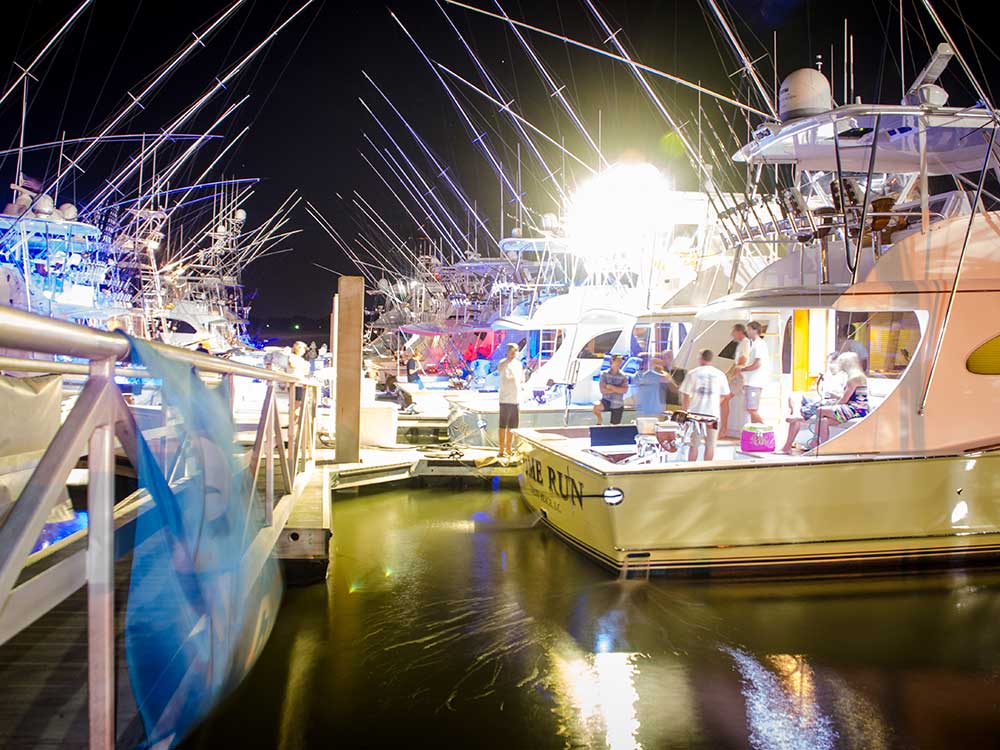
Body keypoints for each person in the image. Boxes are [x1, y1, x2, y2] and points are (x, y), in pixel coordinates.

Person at [779, 353, 846, 453]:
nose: (831, 366)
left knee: (799, 414)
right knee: (795, 396)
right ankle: (796, 413)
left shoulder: (845, 378)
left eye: (833, 363)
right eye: (829, 363)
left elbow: (845, 398)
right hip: (820, 401)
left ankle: (787, 447)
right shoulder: (828, 376)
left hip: (831, 405)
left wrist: (833, 396)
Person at [678, 349, 730, 461]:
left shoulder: (693, 374)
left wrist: (685, 412)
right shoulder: (720, 374)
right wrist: (716, 402)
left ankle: (691, 468)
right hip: (712, 414)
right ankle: (707, 468)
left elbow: (686, 395)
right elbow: (725, 394)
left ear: (700, 358)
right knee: (710, 445)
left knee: (694, 445)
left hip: (696, 414)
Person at [817, 351, 869, 443]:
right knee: (824, 421)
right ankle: (823, 444)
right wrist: (835, 397)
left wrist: (832, 407)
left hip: (855, 410)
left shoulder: (852, 379)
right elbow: (854, 397)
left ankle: (815, 441)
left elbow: (844, 400)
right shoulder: (860, 376)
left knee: (820, 411)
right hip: (861, 409)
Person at [736, 320, 769, 424]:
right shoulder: (754, 344)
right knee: (750, 409)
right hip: (751, 382)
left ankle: (765, 433)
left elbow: (757, 364)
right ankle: (756, 434)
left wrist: (743, 369)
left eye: (749, 329)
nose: (748, 332)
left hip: (755, 382)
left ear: (755, 330)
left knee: (752, 409)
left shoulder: (759, 344)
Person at [720, 324, 750, 434]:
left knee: (724, 399)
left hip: (740, 377)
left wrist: (732, 376)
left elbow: (743, 360)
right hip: (737, 376)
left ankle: (723, 429)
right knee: (724, 400)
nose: (732, 335)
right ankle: (723, 428)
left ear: (739, 331)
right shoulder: (742, 344)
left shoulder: (745, 343)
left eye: (733, 332)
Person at [497, 343, 525, 457]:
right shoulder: (503, 363)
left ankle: (509, 448)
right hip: (505, 399)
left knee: (512, 426)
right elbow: (500, 369)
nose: (513, 354)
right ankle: (501, 449)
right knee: (503, 425)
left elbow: (521, 379)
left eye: (515, 351)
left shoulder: (518, 364)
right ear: (507, 352)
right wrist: (506, 360)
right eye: (511, 351)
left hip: (515, 399)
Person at [593, 354, 629, 425]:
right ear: (612, 361)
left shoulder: (623, 376)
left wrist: (610, 387)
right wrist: (618, 389)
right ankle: (599, 421)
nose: (620, 363)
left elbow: (624, 390)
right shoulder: (604, 374)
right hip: (606, 401)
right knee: (596, 407)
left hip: (618, 404)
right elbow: (602, 390)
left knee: (615, 426)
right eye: (618, 361)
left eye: (621, 361)